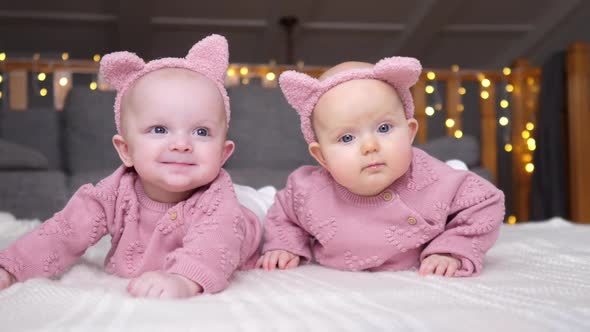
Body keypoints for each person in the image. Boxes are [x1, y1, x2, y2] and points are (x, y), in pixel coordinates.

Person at [0, 34, 261, 298]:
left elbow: (215, 244)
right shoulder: (110, 195)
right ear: (126, 150)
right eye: (159, 129)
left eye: (202, 132)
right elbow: (63, 232)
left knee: (261, 209)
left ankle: (265, 200)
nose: (181, 144)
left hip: (247, 215)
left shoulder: (216, 198)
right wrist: (10, 267)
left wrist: (183, 280)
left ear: (223, 153)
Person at [256, 57, 505, 277]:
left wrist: (451, 249)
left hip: (418, 256)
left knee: (456, 184)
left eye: (384, 128)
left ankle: (455, 169)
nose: (370, 146)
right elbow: (284, 216)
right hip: (340, 277)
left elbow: (486, 202)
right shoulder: (308, 191)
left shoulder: (430, 179)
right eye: (347, 138)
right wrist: (284, 245)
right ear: (322, 157)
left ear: (409, 133)